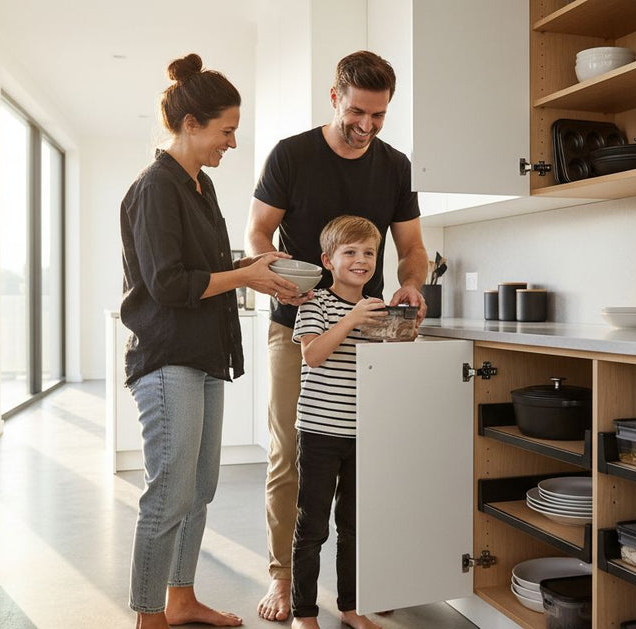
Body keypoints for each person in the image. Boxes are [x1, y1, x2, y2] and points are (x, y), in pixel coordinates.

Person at [245, 50, 429, 621]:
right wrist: (274, 276)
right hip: (295, 325)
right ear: (334, 97)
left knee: (364, 463)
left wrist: (412, 284)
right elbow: (257, 230)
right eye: (357, 113)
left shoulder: (395, 165)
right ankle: (284, 578)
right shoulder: (292, 155)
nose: (367, 127)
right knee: (291, 455)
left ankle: (359, 586)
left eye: (378, 116)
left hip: (371, 336)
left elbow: (413, 248)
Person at [120, 53, 300, 629]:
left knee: (199, 489)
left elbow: (202, 264)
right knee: (168, 492)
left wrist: (254, 264)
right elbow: (168, 283)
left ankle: (181, 600)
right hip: (167, 357)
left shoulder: (200, 187)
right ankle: (149, 616)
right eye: (226, 131)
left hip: (202, 355)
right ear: (191, 123)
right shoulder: (155, 188)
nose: (232, 143)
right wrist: (244, 276)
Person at [291, 215, 406, 629]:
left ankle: (350, 607)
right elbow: (313, 355)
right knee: (312, 526)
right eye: (350, 252)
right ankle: (303, 612)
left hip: (364, 433)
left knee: (354, 527)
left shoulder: (377, 310)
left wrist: (400, 332)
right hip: (320, 432)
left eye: (369, 253)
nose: (361, 260)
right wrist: (352, 319)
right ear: (328, 260)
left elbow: (384, 366)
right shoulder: (314, 303)